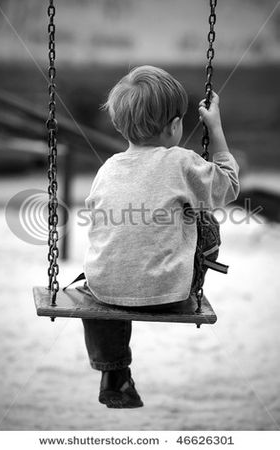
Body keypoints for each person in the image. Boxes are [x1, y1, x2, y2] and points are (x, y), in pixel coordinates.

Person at [82, 66, 240, 409]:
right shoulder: (182, 161)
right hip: (170, 292)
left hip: (104, 293)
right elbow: (228, 186)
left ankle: (114, 372)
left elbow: (96, 217)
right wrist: (215, 130)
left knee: (99, 284)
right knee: (204, 215)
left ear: (120, 125)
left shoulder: (107, 167)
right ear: (174, 126)